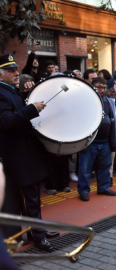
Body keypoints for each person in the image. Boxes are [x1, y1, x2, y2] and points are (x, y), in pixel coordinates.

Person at [0, 53, 59, 251]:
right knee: (29, 198)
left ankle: (38, 231)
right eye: (11, 71)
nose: (17, 73)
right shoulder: (1, 93)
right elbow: (6, 121)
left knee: (34, 196)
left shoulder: (11, 91)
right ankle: (39, 237)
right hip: (18, 156)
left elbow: (17, 110)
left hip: (27, 153)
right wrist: (31, 108)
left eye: (15, 69)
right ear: (0, 75)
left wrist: (27, 96)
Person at [77, 77, 116, 201]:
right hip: (89, 142)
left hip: (105, 141)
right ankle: (84, 190)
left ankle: (103, 188)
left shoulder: (108, 101)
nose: (101, 89)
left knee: (105, 166)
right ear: (92, 86)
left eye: (104, 87)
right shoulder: (86, 101)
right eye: (98, 87)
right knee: (85, 168)